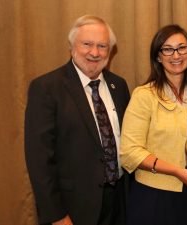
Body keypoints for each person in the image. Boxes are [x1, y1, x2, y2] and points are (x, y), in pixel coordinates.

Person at [25, 15, 130, 225]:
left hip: (119, 202)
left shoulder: (119, 86)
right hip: (73, 209)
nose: (95, 52)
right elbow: (39, 160)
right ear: (72, 46)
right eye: (87, 44)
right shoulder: (46, 88)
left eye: (102, 46)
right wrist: (56, 215)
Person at [120, 24, 187, 225]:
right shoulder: (144, 96)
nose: (176, 55)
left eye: (182, 48)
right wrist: (175, 171)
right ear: (158, 56)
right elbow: (129, 152)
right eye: (167, 49)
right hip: (155, 197)